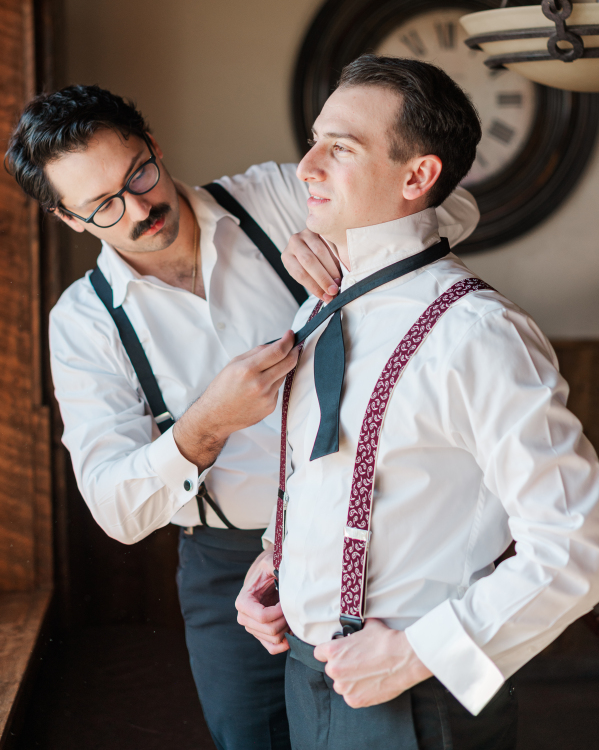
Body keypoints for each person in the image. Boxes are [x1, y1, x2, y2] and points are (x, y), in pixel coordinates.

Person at [6, 83, 479, 750]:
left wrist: (354, 244)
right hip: (229, 567)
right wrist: (206, 424)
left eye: (139, 173)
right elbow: (116, 508)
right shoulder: (84, 324)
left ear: (156, 147)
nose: (142, 207)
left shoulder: (274, 196)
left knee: (382, 735)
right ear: (69, 220)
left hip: (371, 537)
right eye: (104, 205)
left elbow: (453, 204)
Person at [236, 55, 599, 750]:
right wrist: (278, 560)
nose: (305, 166)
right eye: (314, 140)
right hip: (306, 676)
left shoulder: (478, 335)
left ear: (416, 177)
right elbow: (341, 479)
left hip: (417, 696)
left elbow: (576, 544)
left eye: (339, 148)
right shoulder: (321, 301)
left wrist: (418, 653)